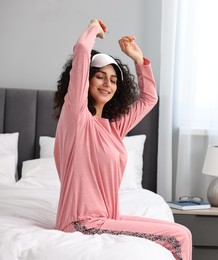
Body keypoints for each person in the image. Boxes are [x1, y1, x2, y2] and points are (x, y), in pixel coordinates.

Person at [53, 19, 192, 260]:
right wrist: (93, 29)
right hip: (80, 221)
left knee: (181, 232)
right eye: (100, 77)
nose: (108, 84)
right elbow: (82, 52)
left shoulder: (113, 127)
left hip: (106, 219)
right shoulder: (76, 118)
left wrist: (140, 61)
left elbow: (149, 98)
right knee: (179, 237)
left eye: (114, 80)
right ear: (85, 80)